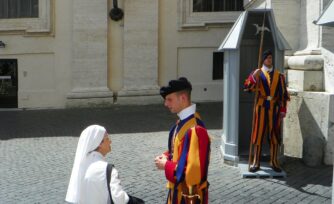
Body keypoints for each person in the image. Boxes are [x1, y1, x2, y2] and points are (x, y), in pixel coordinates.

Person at [155, 77, 211, 204]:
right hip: (177, 193)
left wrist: (166, 165)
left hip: (188, 197)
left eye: (169, 99)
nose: (166, 104)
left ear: (183, 98)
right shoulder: (184, 122)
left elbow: (193, 175)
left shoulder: (196, 129)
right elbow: (182, 152)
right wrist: (167, 155)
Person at [66, 124, 144, 204]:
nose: (110, 141)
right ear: (99, 143)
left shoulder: (81, 168)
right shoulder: (107, 169)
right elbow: (119, 199)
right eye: (107, 138)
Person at [244, 49, 290, 173]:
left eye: (271, 58)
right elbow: (247, 88)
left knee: (274, 134)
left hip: (274, 109)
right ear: (263, 60)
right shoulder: (257, 73)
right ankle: (256, 162)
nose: (270, 60)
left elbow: (283, 95)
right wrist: (254, 77)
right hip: (261, 108)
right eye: (267, 58)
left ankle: (274, 161)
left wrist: (283, 109)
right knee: (258, 134)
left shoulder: (279, 76)